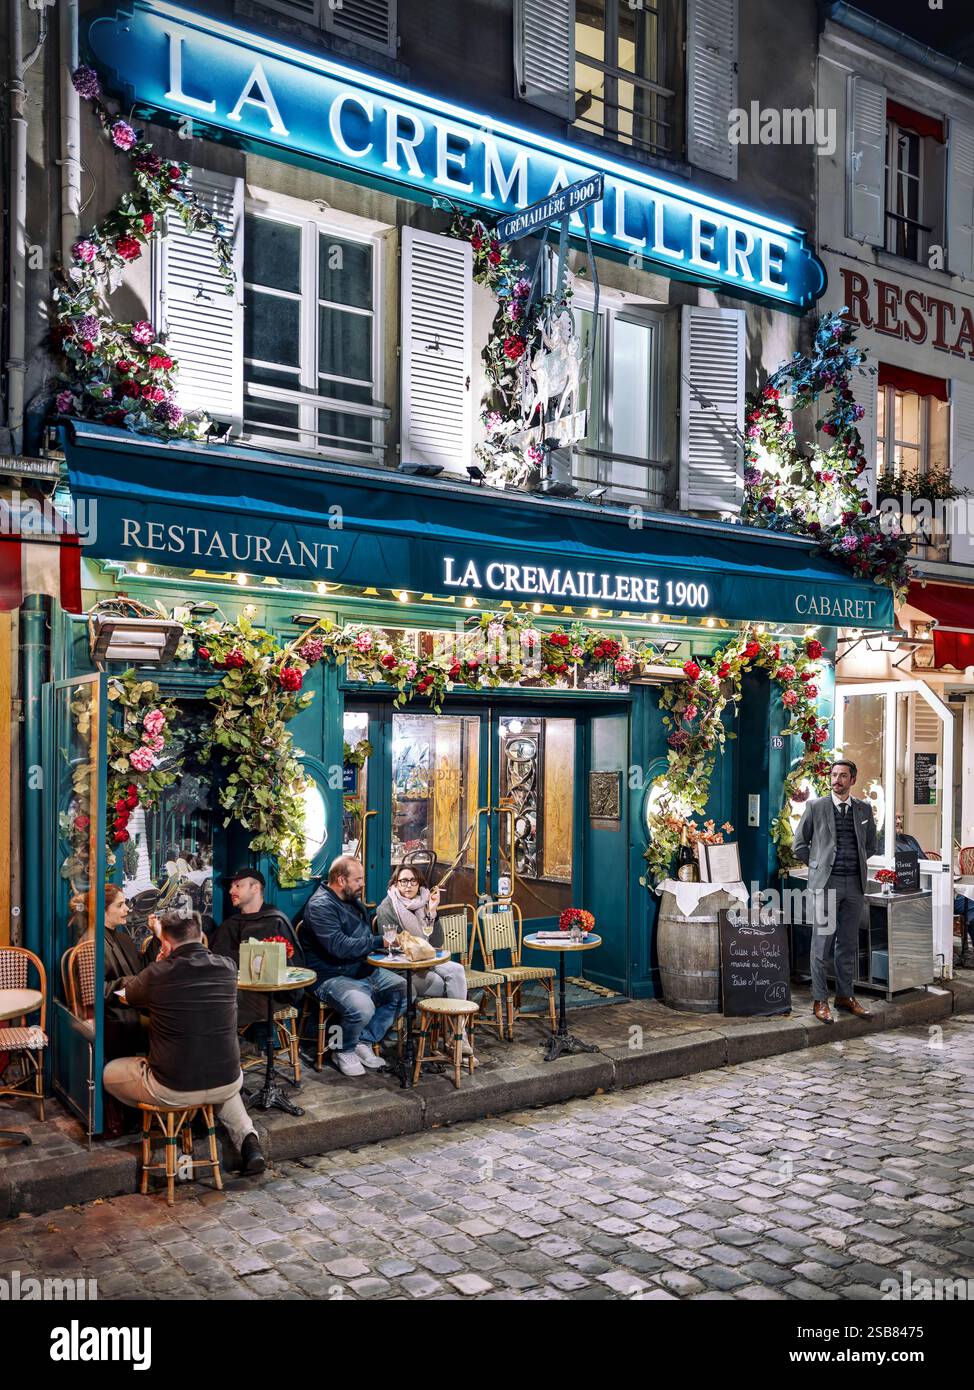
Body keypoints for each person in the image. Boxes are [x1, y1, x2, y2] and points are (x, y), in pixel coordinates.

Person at [103, 911, 266, 1176]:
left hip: (172, 1088)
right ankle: (249, 1141)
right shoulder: (227, 966)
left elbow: (130, 995)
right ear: (200, 935)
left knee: (109, 1072)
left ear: (165, 944)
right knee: (218, 1082)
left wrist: (158, 965)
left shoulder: (158, 973)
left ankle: (175, 1120)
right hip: (229, 1079)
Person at [301, 856, 406, 1077]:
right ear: (341, 880)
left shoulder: (350, 900)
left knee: (405, 991)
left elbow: (361, 938)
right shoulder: (320, 905)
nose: (363, 884)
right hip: (330, 976)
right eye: (358, 879)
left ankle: (363, 1040)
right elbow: (339, 947)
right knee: (362, 1007)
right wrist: (381, 941)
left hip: (361, 969)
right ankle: (343, 1049)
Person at [793, 758, 878, 1024]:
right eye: (834, 775)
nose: (837, 780)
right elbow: (799, 845)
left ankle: (845, 995)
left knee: (848, 944)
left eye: (843, 776)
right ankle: (820, 1000)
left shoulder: (864, 809)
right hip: (825, 885)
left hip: (854, 884)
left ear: (853, 780)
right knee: (822, 944)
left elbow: (871, 845)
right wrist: (818, 866)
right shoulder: (816, 807)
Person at [375, 865, 472, 1055]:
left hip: (428, 962)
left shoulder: (424, 902)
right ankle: (457, 1040)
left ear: (419, 884)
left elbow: (436, 943)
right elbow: (393, 946)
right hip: (406, 968)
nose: (408, 885)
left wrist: (433, 912)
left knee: (457, 971)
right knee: (450, 987)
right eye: (403, 881)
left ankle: (458, 1036)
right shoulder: (387, 908)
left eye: (413, 881)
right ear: (395, 883)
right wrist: (418, 949)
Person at [210, 867, 304, 1033]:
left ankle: (233, 1046)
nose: (231, 891)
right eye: (232, 887)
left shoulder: (275, 921)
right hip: (234, 989)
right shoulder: (230, 924)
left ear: (255, 888)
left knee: (215, 1006)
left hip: (270, 995)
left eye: (238, 886)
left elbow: (293, 966)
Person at [896, 814, 974, 966]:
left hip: (937, 888)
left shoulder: (910, 839)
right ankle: (946, 953)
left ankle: (966, 952)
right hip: (916, 892)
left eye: (900, 818)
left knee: (971, 905)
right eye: (895, 818)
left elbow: (926, 862)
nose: (899, 821)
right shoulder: (884, 843)